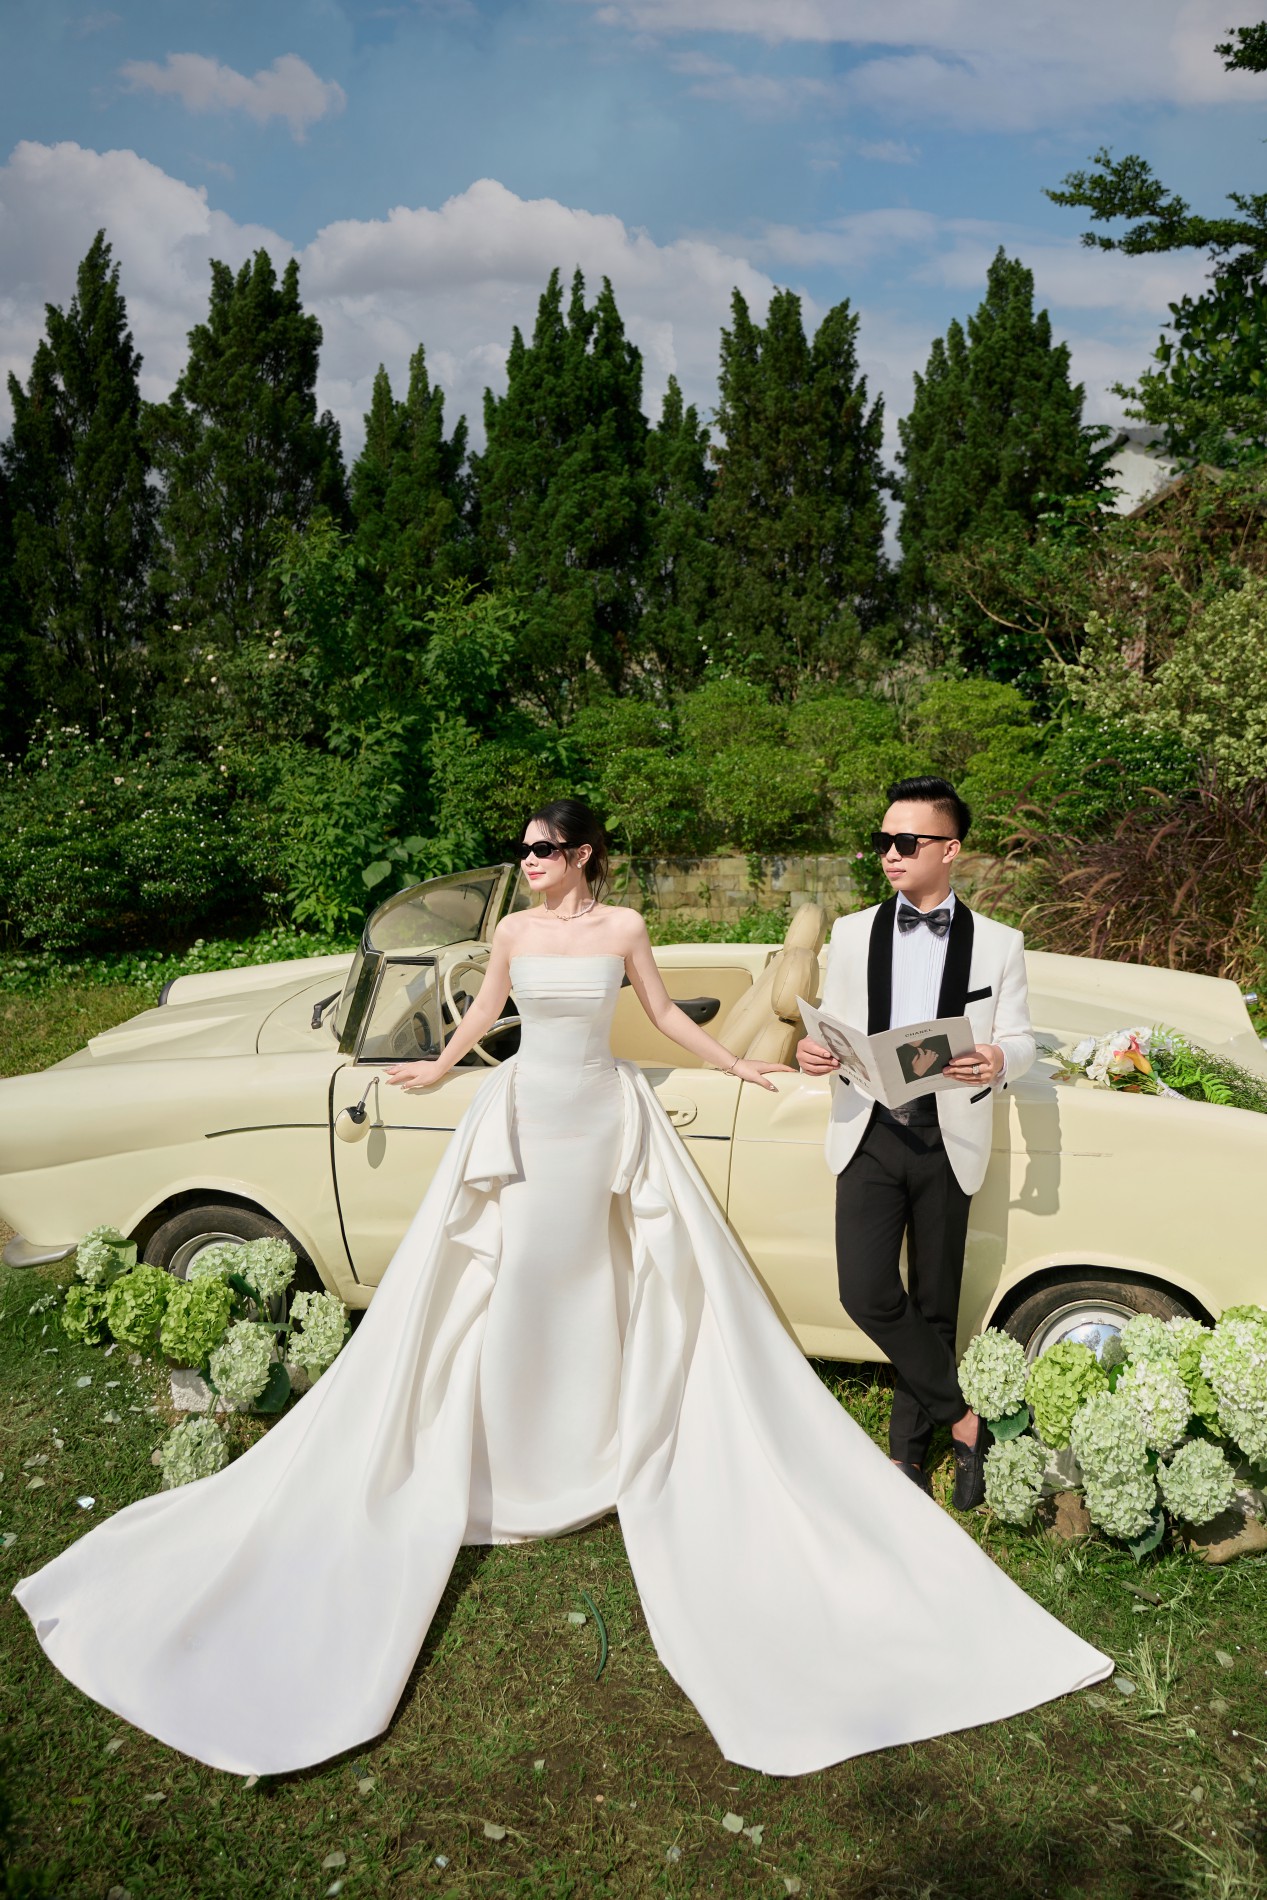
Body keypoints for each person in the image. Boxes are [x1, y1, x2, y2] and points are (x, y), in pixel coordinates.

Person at [14, 798, 1107, 1781]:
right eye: (524, 849)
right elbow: (484, 1013)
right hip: (528, 1116)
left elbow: (664, 1017)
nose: (528, 861)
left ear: (580, 855)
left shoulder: (625, 928)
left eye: (542, 849)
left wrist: (738, 1064)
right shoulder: (511, 932)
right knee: (521, 1284)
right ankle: (517, 1443)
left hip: (601, 1116)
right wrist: (436, 1068)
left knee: (602, 1283)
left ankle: (602, 1433)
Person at [798, 776, 1035, 1508]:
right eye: (883, 841)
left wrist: (998, 1057)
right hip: (867, 1128)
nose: (890, 855)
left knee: (935, 1301)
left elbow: (1021, 1038)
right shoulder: (849, 933)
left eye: (905, 841)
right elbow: (833, 1023)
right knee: (865, 1291)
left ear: (949, 849)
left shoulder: (999, 943)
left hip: (949, 1134)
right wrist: (814, 1053)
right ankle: (964, 1420)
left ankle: (905, 1457)